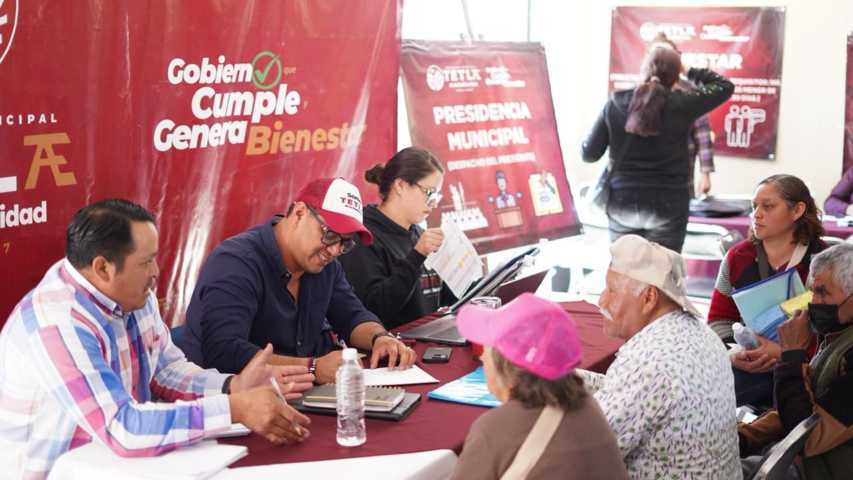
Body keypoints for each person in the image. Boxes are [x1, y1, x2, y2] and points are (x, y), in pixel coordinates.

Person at [0, 199, 313, 479]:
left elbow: (165, 370)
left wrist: (233, 386)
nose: (156, 272)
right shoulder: (57, 324)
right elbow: (122, 427)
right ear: (102, 268)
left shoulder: (133, 294)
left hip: (116, 465)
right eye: (146, 262)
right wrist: (233, 408)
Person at [178, 178, 416, 384]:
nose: (334, 250)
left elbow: (352, 316)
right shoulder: (236, 262)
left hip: (299, 394)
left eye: (345, 242)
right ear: (299, 213)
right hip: (233, 404)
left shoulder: (325, 266)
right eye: (330, 235)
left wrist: (380, 338)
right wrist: (311, 368)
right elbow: (224, 351)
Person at [578, 234, 742, 478]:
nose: (602, 300)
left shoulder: (650, 363)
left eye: (612, 290)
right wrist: (566, 380)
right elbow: (625, 389)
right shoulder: (699, 333)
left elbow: (582, 453)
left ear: (649, 298)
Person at [450, 293, 627, 480]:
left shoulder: (493, 430)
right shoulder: (588, 406)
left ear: (504, 363)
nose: (482, 357)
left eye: (487, 348)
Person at [581, 44, 733, 252]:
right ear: (676, 75)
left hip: (622, 203)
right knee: (662, 269)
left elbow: (589, 154)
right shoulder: (683, 103)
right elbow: (724, 86)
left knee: (624, 269)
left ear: (644, 69)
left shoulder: (615, 102)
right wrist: (688, 70)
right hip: (668, 206)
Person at [708, 174, 826, 407]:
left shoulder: (822, 262)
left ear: (797, 210)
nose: (756, 214)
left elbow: (835, 332)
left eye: (768, 206)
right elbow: (718, 320)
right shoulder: (737, 257)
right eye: (754, 207)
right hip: (746, 363)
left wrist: (785, 353)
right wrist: (735, 354)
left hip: (806, 369)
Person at [739, 244, 853, 478]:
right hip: (799, 460)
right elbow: (806, 407)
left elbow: (806, 436)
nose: (813, 302)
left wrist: (791, 355)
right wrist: (746, 436)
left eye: (823, 292)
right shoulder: (837, 336)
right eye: (812, 291)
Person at [339, 147, 455, 329]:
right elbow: (373, 310)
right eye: (429, 193)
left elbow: (444, 298)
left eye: (437, 195)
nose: (433, 203)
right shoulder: (363, 236)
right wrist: (417, 256)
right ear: (400, 185)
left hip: (430, 339)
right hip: (391, 344)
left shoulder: (418, 234)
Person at [650, 32, 716, 198]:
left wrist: (705, 174)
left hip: (681, 173)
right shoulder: (637, 92)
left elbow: (703, 134)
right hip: (644, 174)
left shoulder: (690, 91)